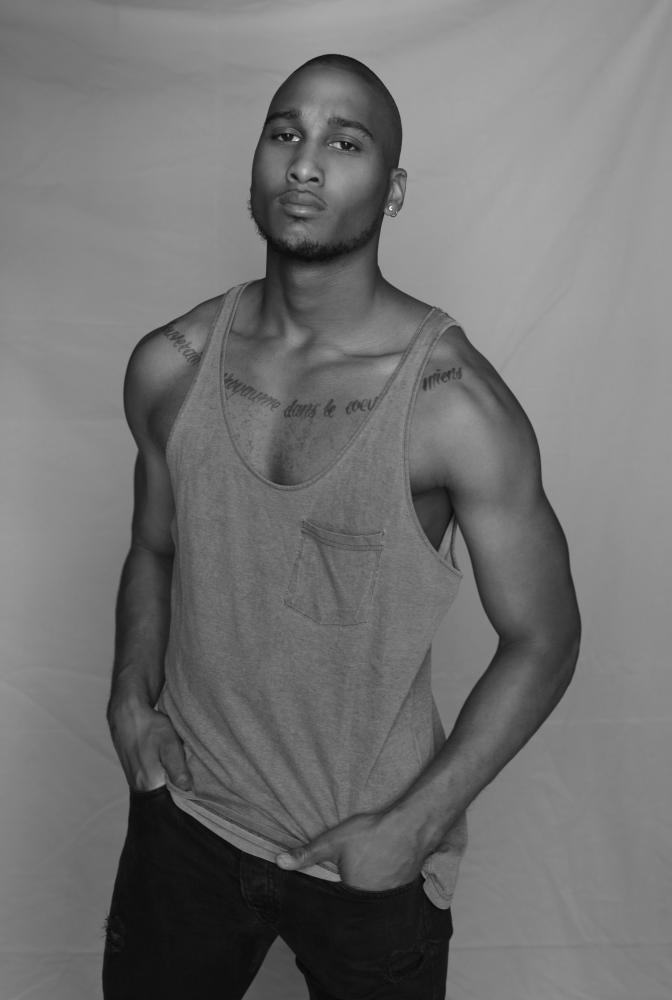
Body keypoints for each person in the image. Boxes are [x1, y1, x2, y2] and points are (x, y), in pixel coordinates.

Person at [103, 53, 581, 1000]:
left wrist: (414, 824)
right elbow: (154, 547)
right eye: (285, 133)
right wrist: (128, 697)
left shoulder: (454, 407)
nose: (306, 162)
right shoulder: (172, 365)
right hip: (187, 826)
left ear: (392, 189)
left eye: (345, 142)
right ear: (256, 164)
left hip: (369, 861)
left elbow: (547, 638)